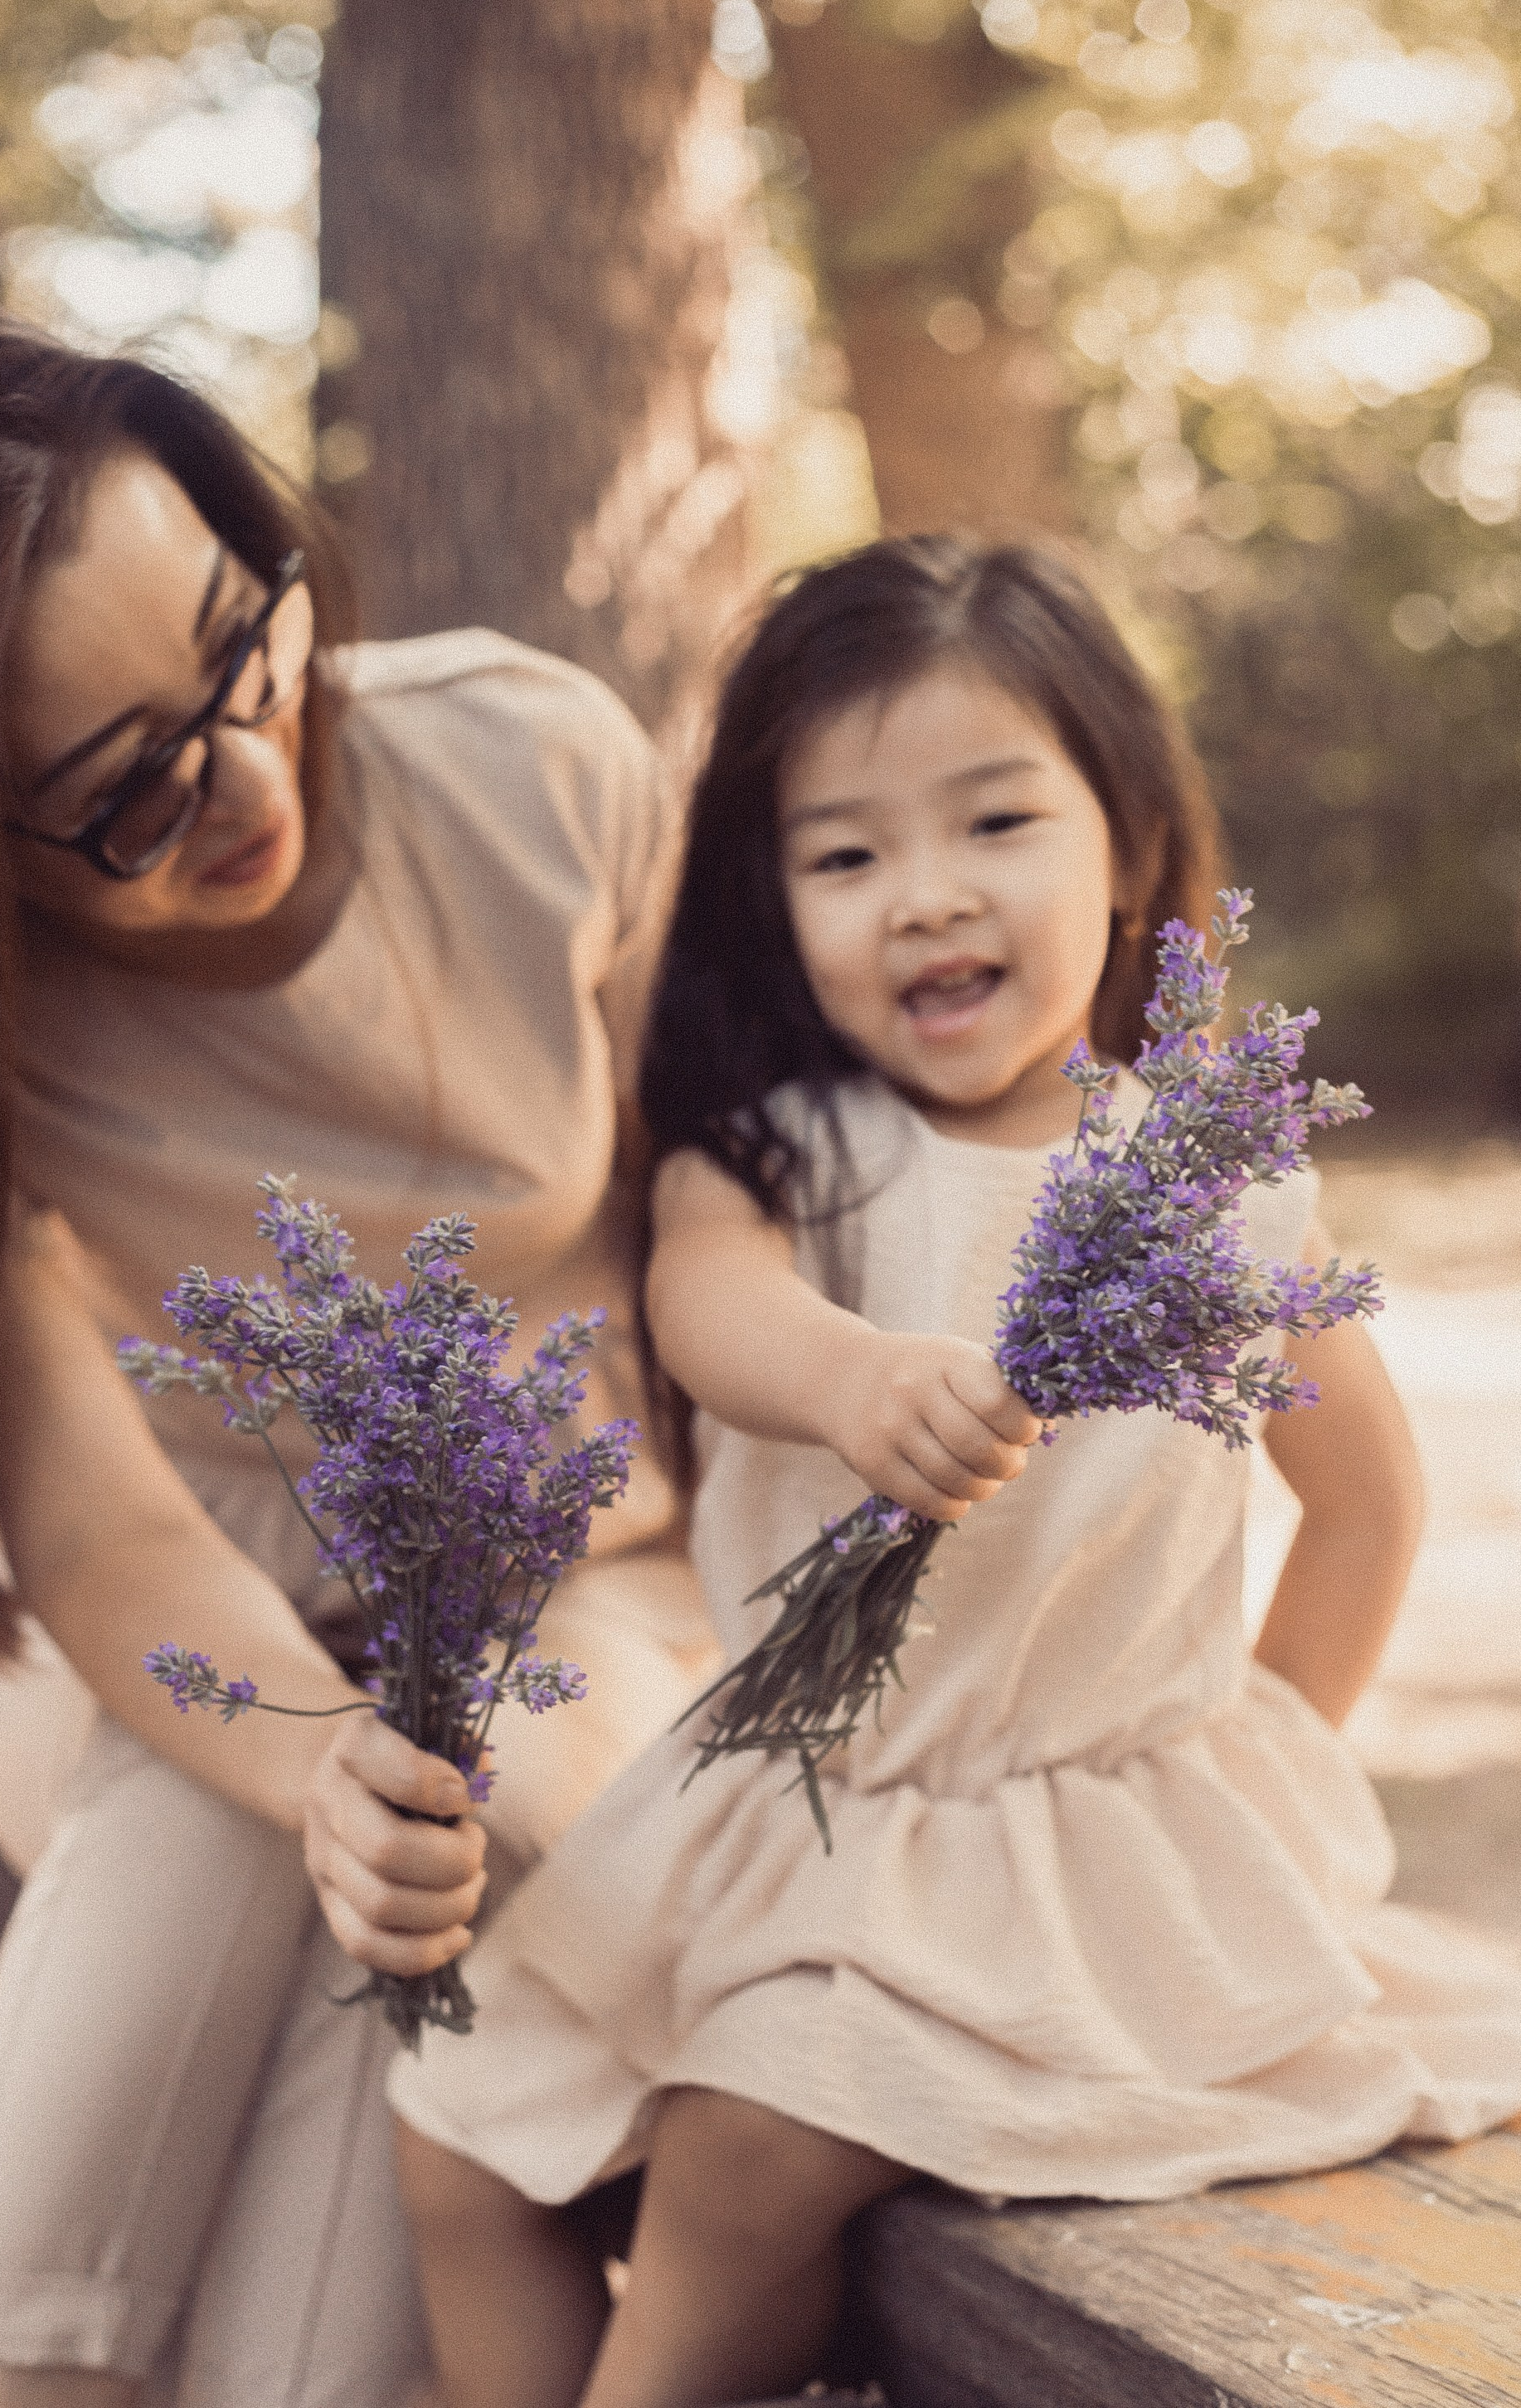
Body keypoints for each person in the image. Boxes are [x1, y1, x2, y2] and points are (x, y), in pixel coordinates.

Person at [384, 536, 1521, 2408]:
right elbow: (707, 1309)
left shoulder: (1202, 1179)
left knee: (743, 2161)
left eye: (993, 824)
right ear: (775, 898)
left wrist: (1237, 1779)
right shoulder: (770, 1157)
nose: (922, 898)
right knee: (455, 2124)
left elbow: (1371, 1498)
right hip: (793, 1829)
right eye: (844, 855)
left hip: (1077, 1864)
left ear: (1130, 843)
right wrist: (854, 1381)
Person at [0, 274, 717, 2408]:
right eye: (123, 787)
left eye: (245, 641)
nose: (246, 773)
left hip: (576, 1548)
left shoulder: (529, 759)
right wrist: (313, 1757)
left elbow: (722, 1205)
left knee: (452, 1832)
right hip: (175, 1599)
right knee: (245, 1845)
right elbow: (94, 1532)